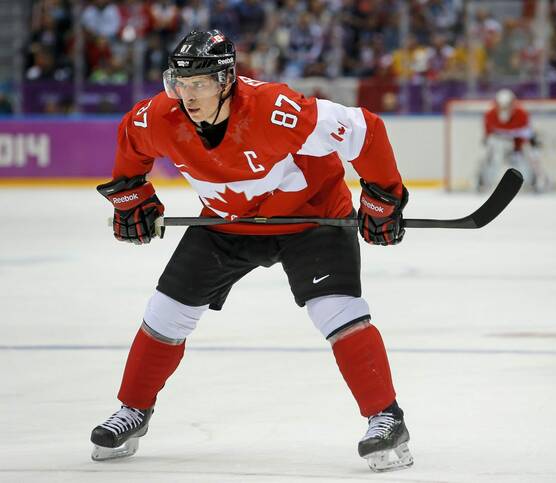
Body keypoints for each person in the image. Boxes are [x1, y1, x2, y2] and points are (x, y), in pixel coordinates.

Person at [91, 30, 413, 473]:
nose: (187, 95)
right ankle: (133, 409)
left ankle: (386, 416)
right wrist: (132, 198)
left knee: (336, 310)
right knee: (166, 312)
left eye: (200, 84)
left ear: (226, 81)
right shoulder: (157, 118)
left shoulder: (278, 110)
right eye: (180, 84)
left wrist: (382, 198)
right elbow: (131, 143)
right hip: (227, 221)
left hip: (311, 216)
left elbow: (365, 130)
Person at [479, 88, 548, 192]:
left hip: (517, 145)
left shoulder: (522, 114)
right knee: (490, 158)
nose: (504, 109)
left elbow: (527, 134)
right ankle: (483, 182)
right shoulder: (489, 115)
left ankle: (535, 180)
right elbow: (488, 136)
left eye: (507, 106)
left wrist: (529, 146)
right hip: (499, 144)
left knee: (531, 157)